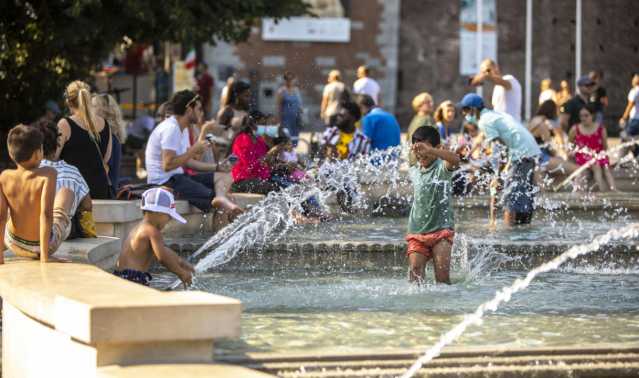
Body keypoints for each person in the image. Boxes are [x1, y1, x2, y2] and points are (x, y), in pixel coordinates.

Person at [145, 90, 241, 217]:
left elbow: (188, 162)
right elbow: (167, 165)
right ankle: (220, 203)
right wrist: (193, 150)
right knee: (215, 199)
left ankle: (221, 198)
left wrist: (217, 167)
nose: (201, 113)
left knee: (224, 175)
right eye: (199, 108)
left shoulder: (182, 128)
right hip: (165, 182)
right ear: (189, 110)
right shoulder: (171, 128)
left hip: (178, 178)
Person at [459, 93, 541, 226]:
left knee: (510, 199)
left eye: (465, 109)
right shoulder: (496, 114)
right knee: (525, 196)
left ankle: (507, 238)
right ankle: (524, 234)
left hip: (521, 153)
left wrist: (497, 175)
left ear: (474, 109)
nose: (463, 113)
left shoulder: (484, 121)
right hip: (531, 150)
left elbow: (499, 148)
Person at [0, 125, 70, 263]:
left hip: (13, 243)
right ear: (38, 153)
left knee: (11, 214)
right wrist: (45, 257)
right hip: (43, 247)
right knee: (66, 194)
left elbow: (1, 217)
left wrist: (0, 259)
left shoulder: (4, 177)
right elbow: (46, 214)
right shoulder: (48, 174)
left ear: (10, 153)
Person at [406, 126, 460, 284]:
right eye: (418, 150)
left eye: (425, 150)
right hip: (417, 231)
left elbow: (455, 160)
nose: (421, 154)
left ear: (437, 148)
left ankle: (444, 308)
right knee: (415, 275)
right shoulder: (414, 170)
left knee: (442, 278)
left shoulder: (441, 169)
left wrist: (432, 151)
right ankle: (419, 308)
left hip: (441, 230)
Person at [114, 188, 194, 287]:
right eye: (169, 216)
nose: (169, 219)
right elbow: (163, 258)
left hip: (122, 275)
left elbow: (164, 251)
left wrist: (181, 262)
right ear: (159, 213)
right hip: (133, 279)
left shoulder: (140, 227)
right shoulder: (153, 231)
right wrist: (181, 273)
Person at [36, 120, 96, 238]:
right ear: (58, 143)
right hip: (64, 233)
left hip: (32, 228)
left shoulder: (30, 171)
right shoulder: (72, 171)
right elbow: (87, 205)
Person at [57, 80, 113, 199]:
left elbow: (54, 157)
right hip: (100, 190)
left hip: (74, 192)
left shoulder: (64, 124)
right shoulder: (105, 124)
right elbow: (106, 158)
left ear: (68, 102)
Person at [528, 101, 579, 186]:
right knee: (577, 170)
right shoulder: (542, 125)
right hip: (542, 158)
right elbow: (549, 146)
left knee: (551, 183)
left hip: (534, 158)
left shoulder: (534, 121)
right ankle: (579, 195)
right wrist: (560, 156)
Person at [569, 104, 616, 191]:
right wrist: (571, 153)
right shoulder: (575, 129)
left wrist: (606, 158)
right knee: (596, 166)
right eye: (581, 116)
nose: (583, 118)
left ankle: (613, 189)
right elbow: (570, 145)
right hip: (583, 155)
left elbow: (605, 147)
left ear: (592, 115)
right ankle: (602, 190)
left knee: (606, 168)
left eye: (586, 115)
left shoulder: (601, 129)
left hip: (598, 154)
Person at [93, 94, 127, 190]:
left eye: (94, 106)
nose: (89, 108)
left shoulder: (108, 136)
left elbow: (104, 169)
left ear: (105, 110)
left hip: (104, 194)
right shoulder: (109, 134)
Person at [275, 71, 303, 144]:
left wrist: (301, 113)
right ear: (285, 80)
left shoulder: (296, 90)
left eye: (291, 79)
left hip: (296, 118)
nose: (290, 81)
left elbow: (299, 104)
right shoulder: (281, 91)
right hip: (286, 118)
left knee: (295, 137)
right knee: (287, 137)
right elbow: (279, 106)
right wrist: (279, 120)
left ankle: (292, 153)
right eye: (288, 79)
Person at [619, 73, 639, 157]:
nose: (633, 80)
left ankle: (622, 159)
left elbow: (630, 105)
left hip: (635, 119)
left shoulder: (635, 91)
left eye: (635, 78)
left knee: (625, 137)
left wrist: (624, 117)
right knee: (633, 139)